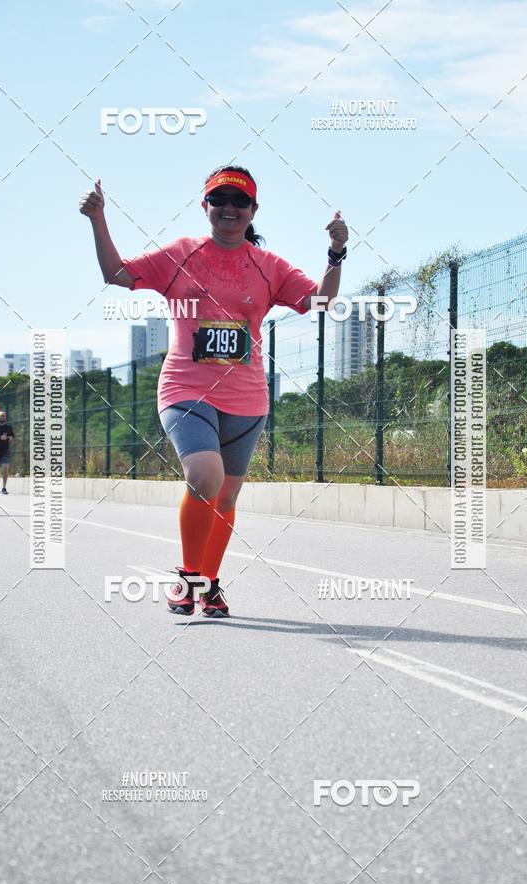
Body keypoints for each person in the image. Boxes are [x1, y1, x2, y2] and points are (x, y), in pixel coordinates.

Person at [80, 165, 348, 615]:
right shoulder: (181, 254)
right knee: (206, 476)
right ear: (205, 206)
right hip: (186, 388)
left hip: (246, 397)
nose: (229, 208)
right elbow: (117, 273)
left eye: (239, 202)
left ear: (252, 210)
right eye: (219, 200)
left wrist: (336, 253)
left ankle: (209, 583)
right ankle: (188, 578)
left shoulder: (269, 267)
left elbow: (319, 301)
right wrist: (97, 219)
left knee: (226, 495)